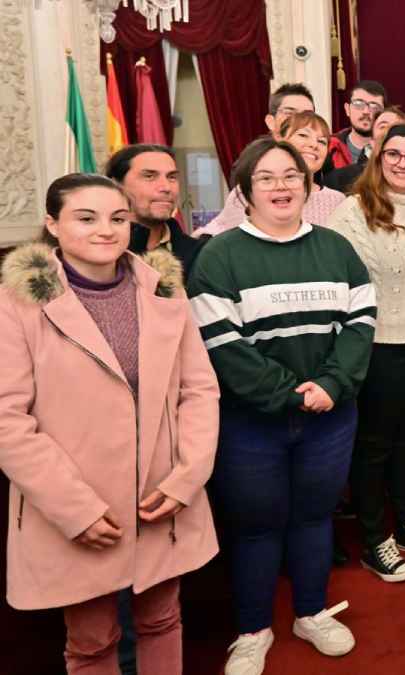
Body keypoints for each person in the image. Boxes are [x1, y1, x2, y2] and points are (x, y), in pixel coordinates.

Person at [0, 174, 220, 673]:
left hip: (160, 496)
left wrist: (187, 478)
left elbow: (199, 390)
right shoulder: (17, 303)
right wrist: (75, 510)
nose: (106, 230)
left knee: (163, 619)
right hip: (78, 504)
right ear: (52, 225)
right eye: (86, 217)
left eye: (118, 218)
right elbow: (7, 420)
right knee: (93, 640)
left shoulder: (163, 289)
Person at [188, 138, 376, 674]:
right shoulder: (219, 255)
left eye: (290, 176)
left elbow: (360, 322)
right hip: (253, 424)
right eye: (266, 178)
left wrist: (332, 386)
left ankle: (311, 612)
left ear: (307, 184)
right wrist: (290, 395)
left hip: (330, 416)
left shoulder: (336, 248)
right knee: (256, 524)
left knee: (315, 517)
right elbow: (222, 342)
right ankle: (252, 630)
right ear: (244, 191)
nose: (281, 187)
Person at [326, 124, 405, 582]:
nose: (403, 162)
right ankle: (373, 537)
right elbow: (343, 284)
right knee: (375, 447)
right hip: (378, 346)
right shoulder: (353, 211)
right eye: (394, 154)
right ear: (378, 159)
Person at [195, 111, 346, 236]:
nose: (313, 145)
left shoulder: (337, 200)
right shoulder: (249, 190)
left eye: (322, 141)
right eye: (303, 135)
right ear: (280, 139)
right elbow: (219, 232)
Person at [106, 144, 208, 279]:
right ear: (116, 186)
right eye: (149, 176)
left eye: (171, 177)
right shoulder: (99, 250)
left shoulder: (201, 254)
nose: (166, 187)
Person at [325, 106, 405, 194]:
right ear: (371, 141)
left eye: (396, 127)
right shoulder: (338, 180)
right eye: (383, 126)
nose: (389, 131)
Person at [336, 80, 388, 166]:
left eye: (374, 106)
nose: (366, 111)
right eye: (359, 104)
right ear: (347, 109)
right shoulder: (330, 147)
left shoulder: (392, 151)